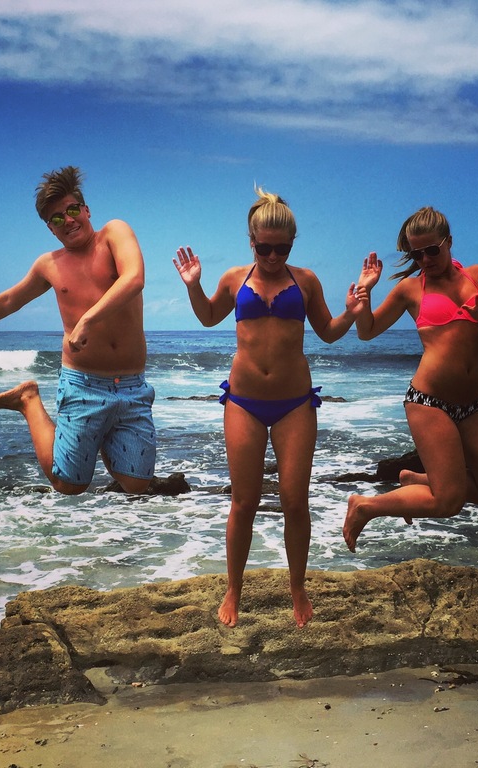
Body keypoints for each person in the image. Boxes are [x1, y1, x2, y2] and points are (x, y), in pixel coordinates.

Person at [174, 188, 363, 628]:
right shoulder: (235, 279)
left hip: (295, 403)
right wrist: (194, 285)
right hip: (243, 402)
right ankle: (233, 591)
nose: (274, 255)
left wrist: (352, 312)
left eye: (283, 247)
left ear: (292, 244)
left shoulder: (307, 280)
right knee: (244, 501)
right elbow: (207, 317)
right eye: (265, 247)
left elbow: (330, 332)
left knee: (295, 502)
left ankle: (297, 590)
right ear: (251, 241)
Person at [0, 166, 155, 495]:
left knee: (136, 483)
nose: (68, 220)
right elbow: (11, 299)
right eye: (57, 218)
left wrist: (88, 319)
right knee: (67, 484)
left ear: (86, 211)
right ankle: (28, 400)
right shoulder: (50, 265)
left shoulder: (115, 233)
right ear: (51, 229)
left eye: (72, 210)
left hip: (132, 385)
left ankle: (98, 435)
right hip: (83, 383)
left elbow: (134, 278)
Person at [343, 206, 478, 552]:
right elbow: (368, 332)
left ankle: (417, 480)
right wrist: (363, 301)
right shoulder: (410, 289)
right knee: (448, 502)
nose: (425, 259)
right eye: (415, 253)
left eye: (432, 250)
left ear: (448, 242)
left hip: (471, 406)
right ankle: (365, 506)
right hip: (429, 402)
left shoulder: (476, 275)